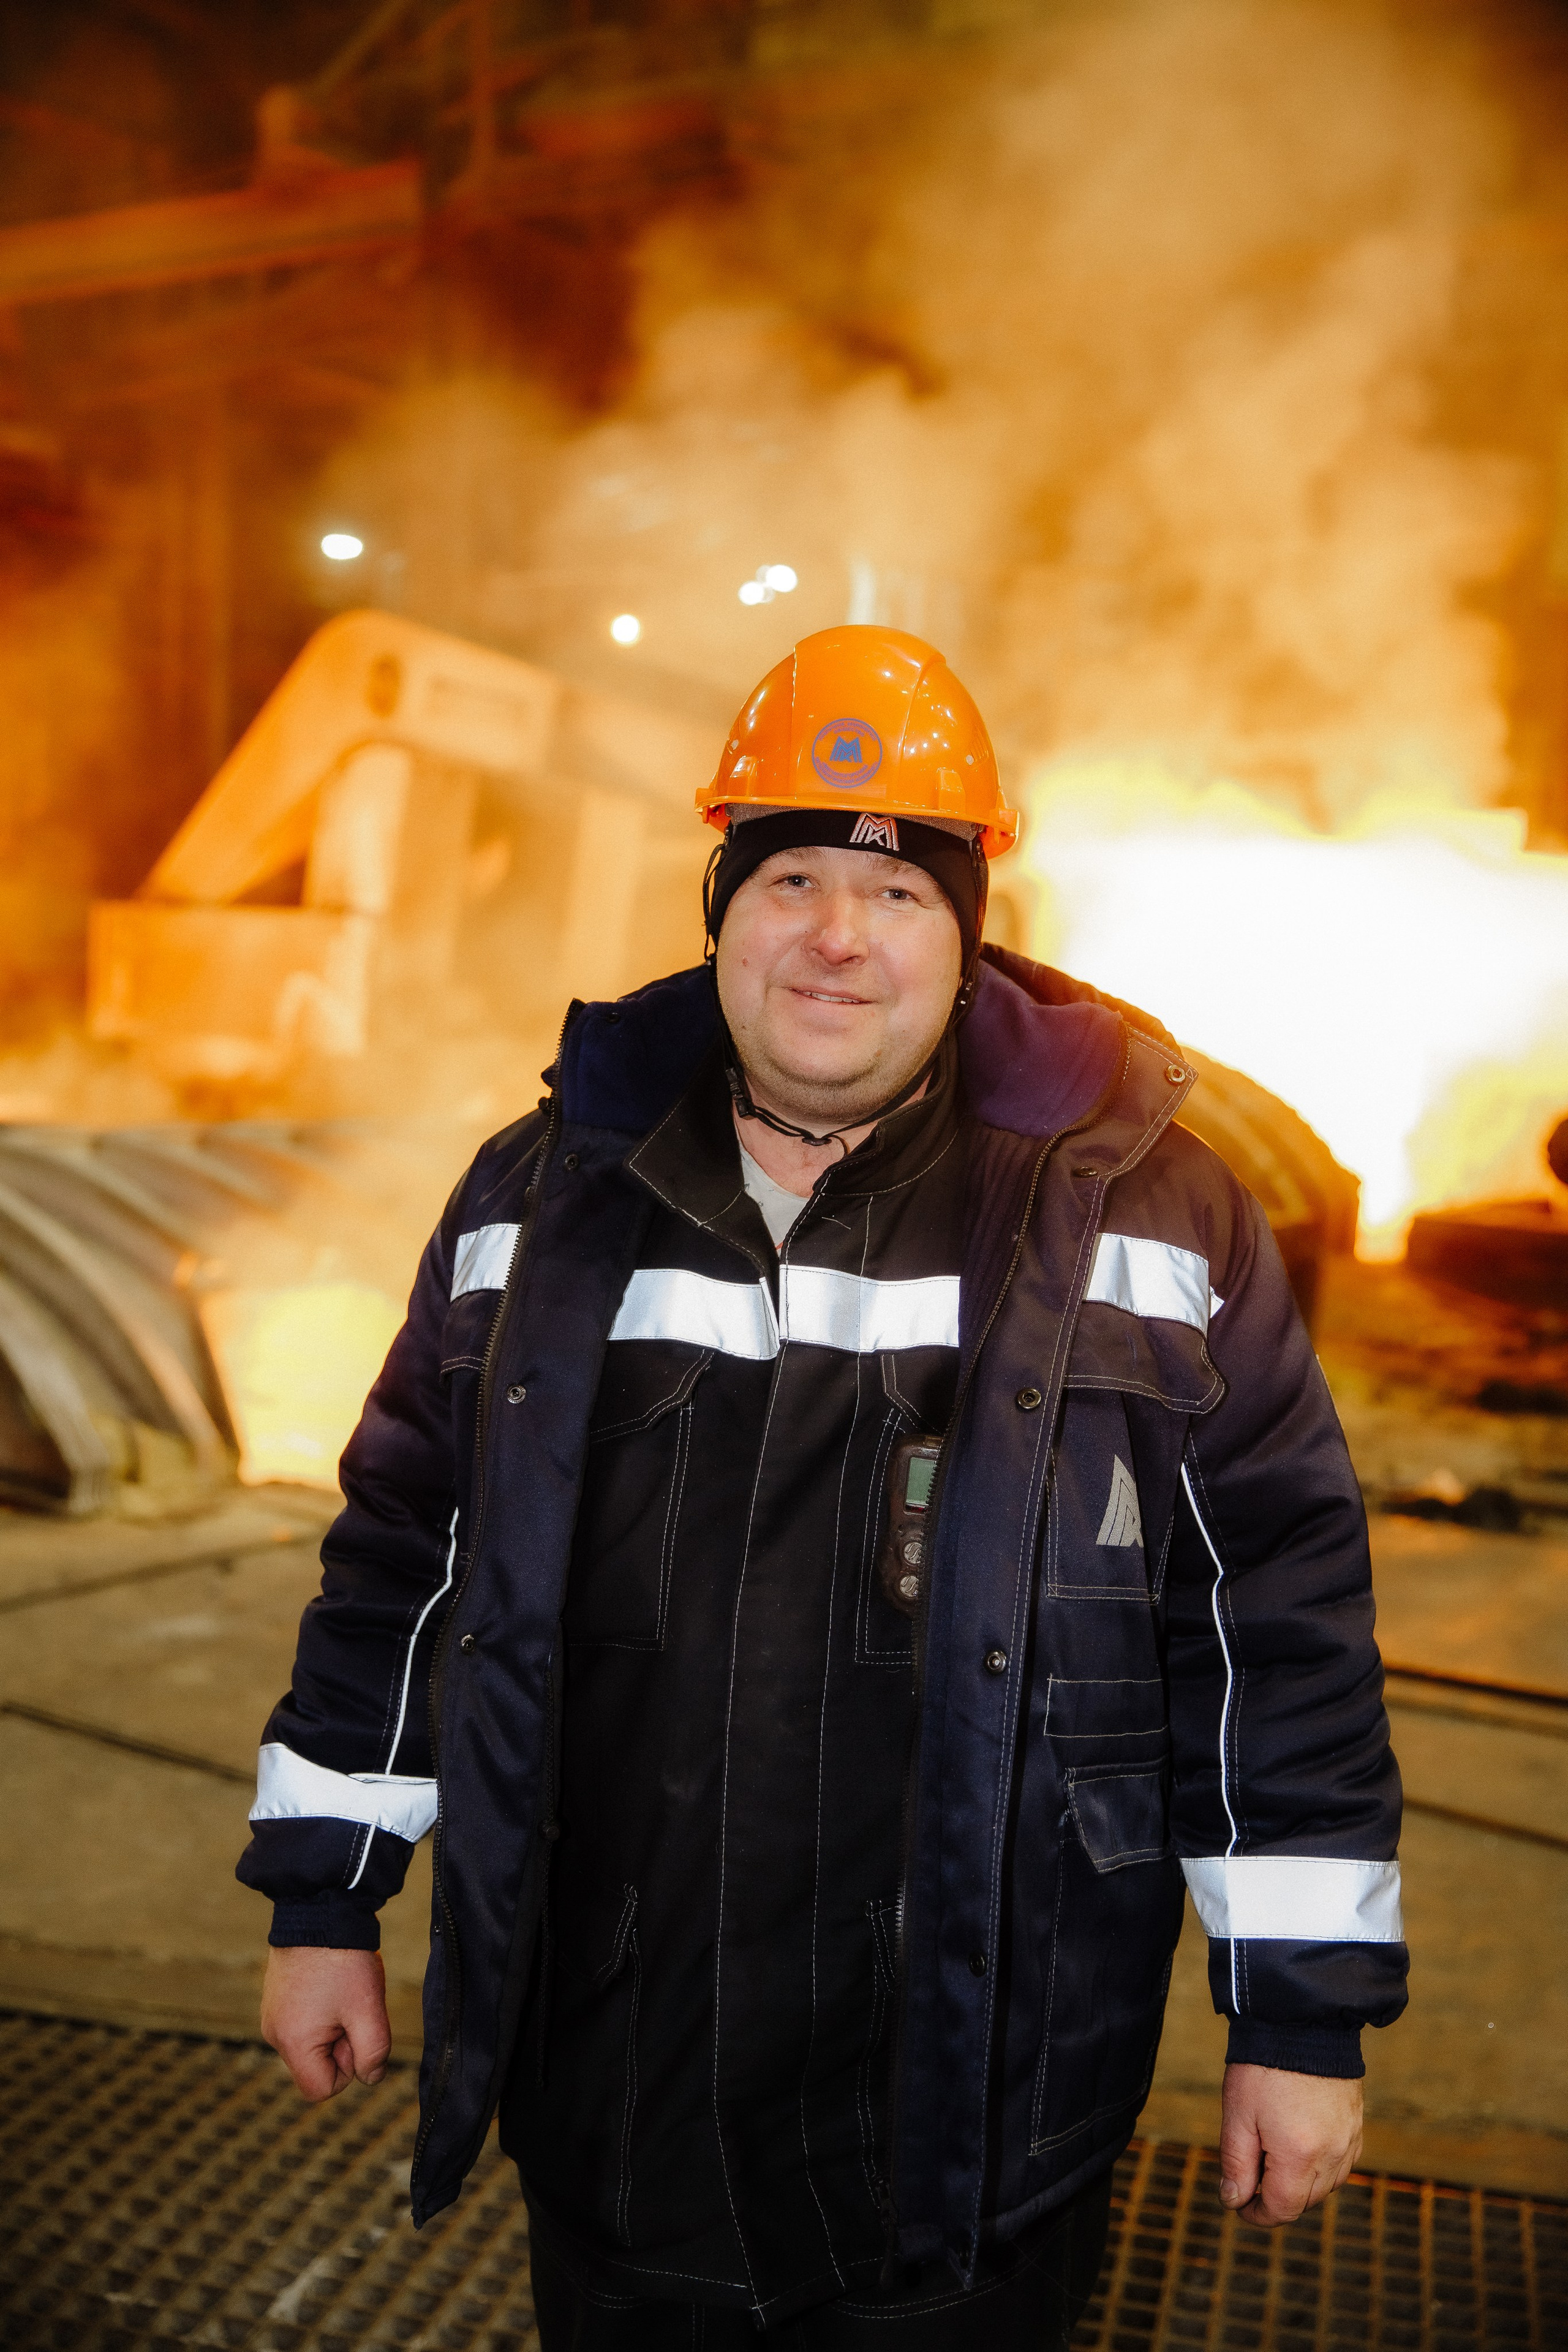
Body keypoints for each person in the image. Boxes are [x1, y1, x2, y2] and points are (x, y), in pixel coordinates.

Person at [241, 626, 1407, 2347]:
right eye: (790, 878)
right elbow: (408, 1550)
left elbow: (1272, 1620)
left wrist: (1296, 2021)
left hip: (973, 2101)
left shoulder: (1148, 1217)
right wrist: (326, 1895)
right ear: (720, 908)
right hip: (614, 2074)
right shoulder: (545, 1195)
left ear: (968, 934)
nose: (839, 938)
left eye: (901, 895)